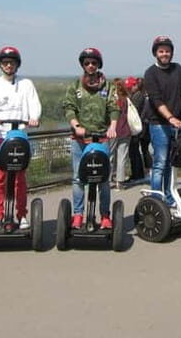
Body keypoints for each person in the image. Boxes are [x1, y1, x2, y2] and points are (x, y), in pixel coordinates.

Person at [0, 46, 42, 230]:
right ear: (0, 65)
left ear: (17, 64)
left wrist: (34, 117)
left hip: (19, 136)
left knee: (19, 178)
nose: (8, 65)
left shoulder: (26, 84)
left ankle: (21, 214)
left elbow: (34, 104)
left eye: (12, 62)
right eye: (5, 62)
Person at [62, 47, 119, 229]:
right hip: (80, 139)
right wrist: (76, 125)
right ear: (83, 65)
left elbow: (114, 107)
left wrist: (112, 126)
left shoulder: (108, 86)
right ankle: (78, 215)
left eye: (94, 63)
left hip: (102, 138)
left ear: (98, 64)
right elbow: (69, 107)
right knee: (79, 178)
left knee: (102, 179)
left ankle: (105, 216)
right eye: (87, 63)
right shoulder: (75, 86)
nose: (90, 66)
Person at [143, 36, 181, 209]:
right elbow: (156, 101)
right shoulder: (150, 73)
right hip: (159, 123)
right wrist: (171, 117)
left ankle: (168, 196)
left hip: (176, 125)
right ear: (155, 53)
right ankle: (156, 200)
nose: (165, 54)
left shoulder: (177, 69)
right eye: (161, 51)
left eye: (167, 51)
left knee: (170, 163)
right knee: (160, 162)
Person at [110, 78, 132, 189]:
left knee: (109, 156)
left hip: (112, 131)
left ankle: (107, 180)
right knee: (122, 158)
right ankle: (120, 182)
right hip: (125, 130)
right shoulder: (127, 100)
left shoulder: (111, 100)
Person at [126, 76, 147, 181]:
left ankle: (137, 174)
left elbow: (134, 112)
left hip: (136, 127)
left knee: (134, 152)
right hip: (138, 127)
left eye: (130, 87)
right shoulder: (137, 95)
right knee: (135, 152)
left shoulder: (137, 96)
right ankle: (138, 173)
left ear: (135, 85)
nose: (129, 89)